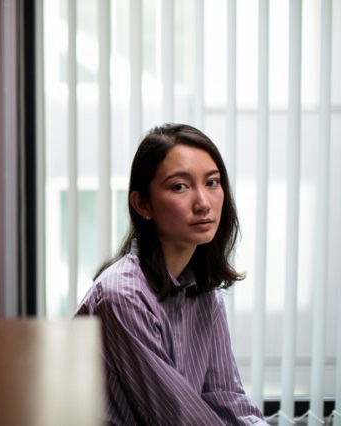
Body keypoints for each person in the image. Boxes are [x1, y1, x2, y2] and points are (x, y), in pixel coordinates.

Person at [75, 123, 267, 425]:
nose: (203, 203)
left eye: (212, 183)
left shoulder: (204, 290)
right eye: (180, 186)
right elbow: (177, 417)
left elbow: (225, 396)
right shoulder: (121, 296)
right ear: (143, 204)